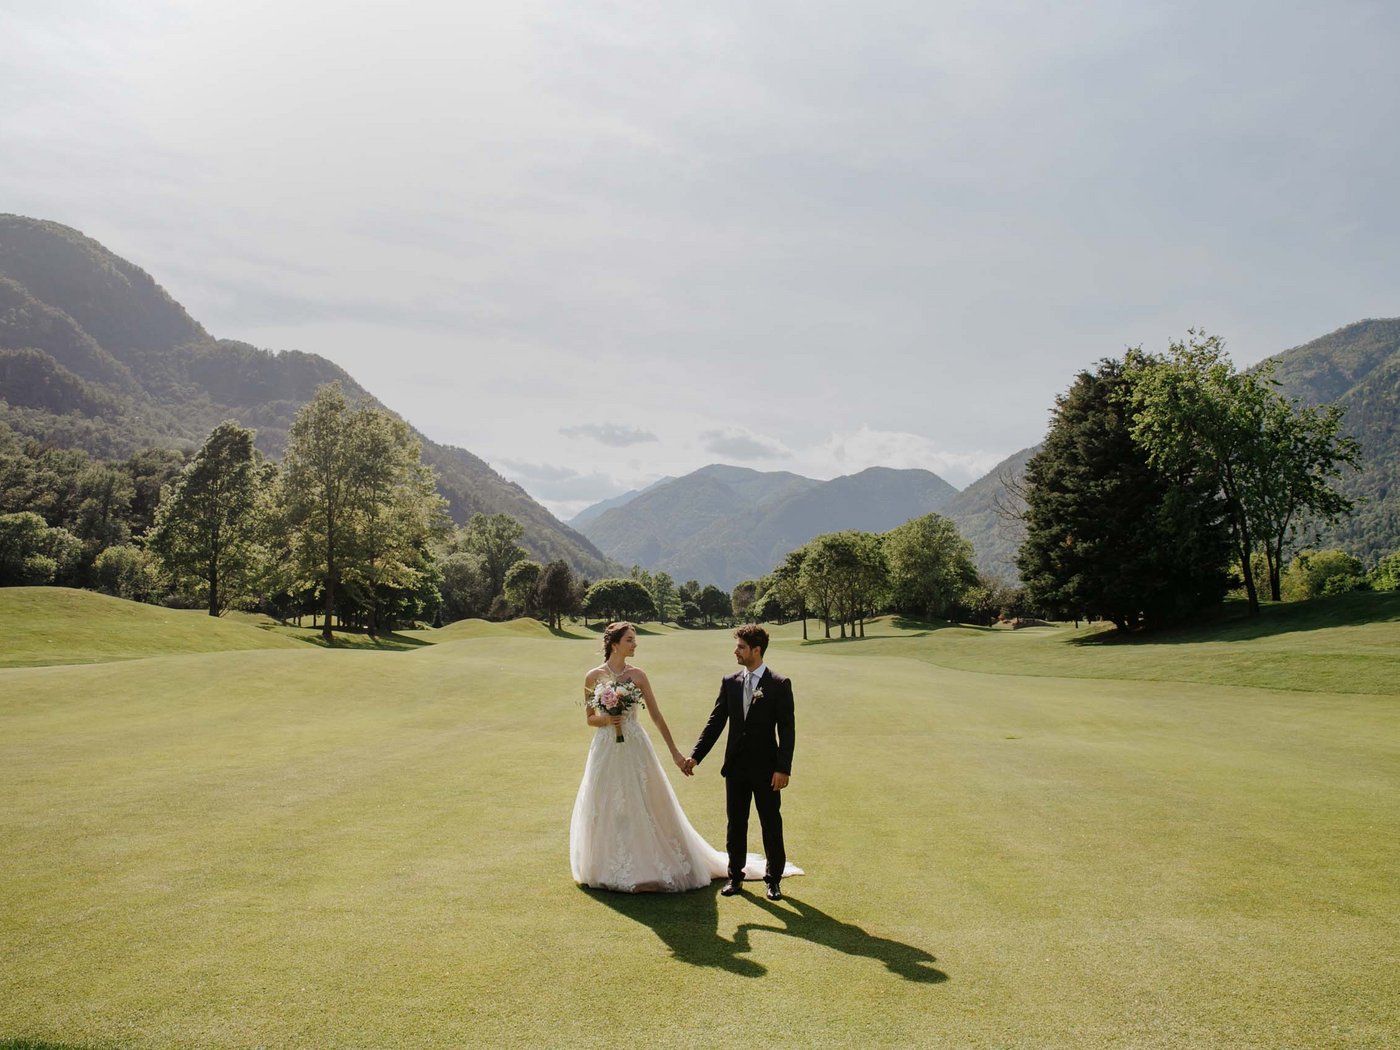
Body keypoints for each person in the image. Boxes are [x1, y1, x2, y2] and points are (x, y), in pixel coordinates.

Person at [568, 622, 720, 892]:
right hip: (605, 748)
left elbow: (656, 715)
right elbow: (590, 718)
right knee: (606, 802)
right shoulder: (593, 677)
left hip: (635, 745)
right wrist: (608, 719)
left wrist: (675, 753)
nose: (634, 644)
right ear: (614, 644)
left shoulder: (638, 676)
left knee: (643, 801)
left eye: (634, 639)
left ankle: (646, 867)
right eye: (629, 640)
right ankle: (606, 867)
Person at [687, 623, 796, 901]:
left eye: (741, 647)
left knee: (771, 824)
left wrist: (783, 768)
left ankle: (773, 880)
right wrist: (696, 756)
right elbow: (715, 723)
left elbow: (787, 730)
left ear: (756, 650)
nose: (735, 651)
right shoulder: (730, 682)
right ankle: (735, 876)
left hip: (767, 769)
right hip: (735, 767)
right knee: (736, 823)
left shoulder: (779, 684)